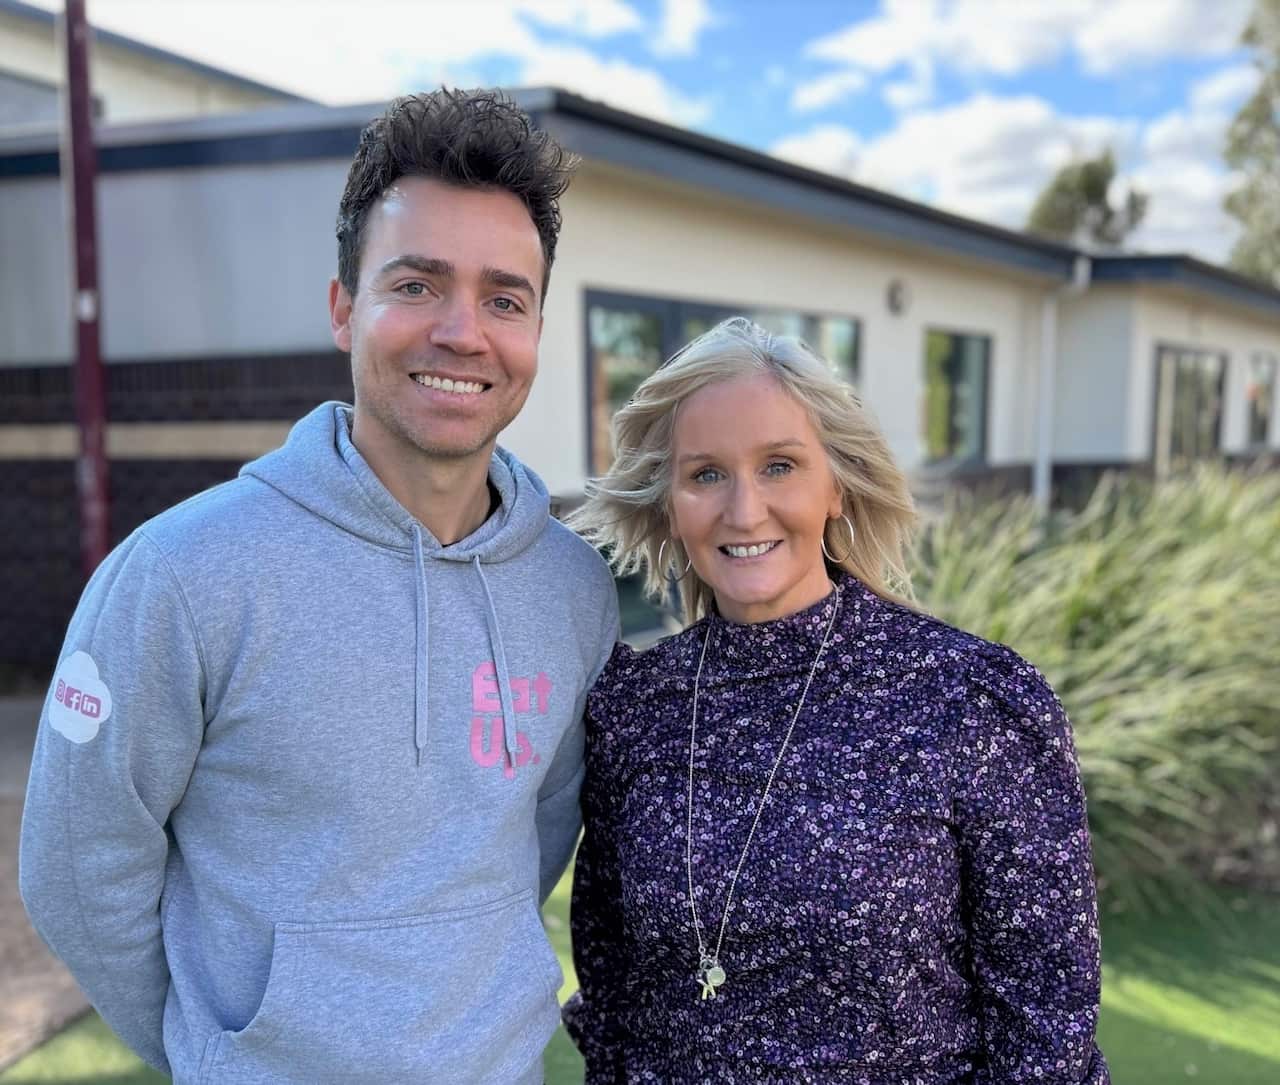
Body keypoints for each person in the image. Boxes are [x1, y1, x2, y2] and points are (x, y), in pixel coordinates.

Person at [20, 88, 618, 1084]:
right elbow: (79, 866)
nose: (463, 332)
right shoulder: (182, 573)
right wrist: (217, 1046)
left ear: (536, 328)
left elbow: (534, 838)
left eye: (503, 298)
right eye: (417, 284)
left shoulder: (571, 587)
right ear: (344, 309)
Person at [564, 317, 1109, 1083]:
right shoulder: (635, 709)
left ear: (838, 486)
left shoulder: (968, 700)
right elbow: (616, 997)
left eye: (780, 466)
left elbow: (1046, 1029)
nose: (744, 510)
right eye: (706, 474)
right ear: (669, 503)